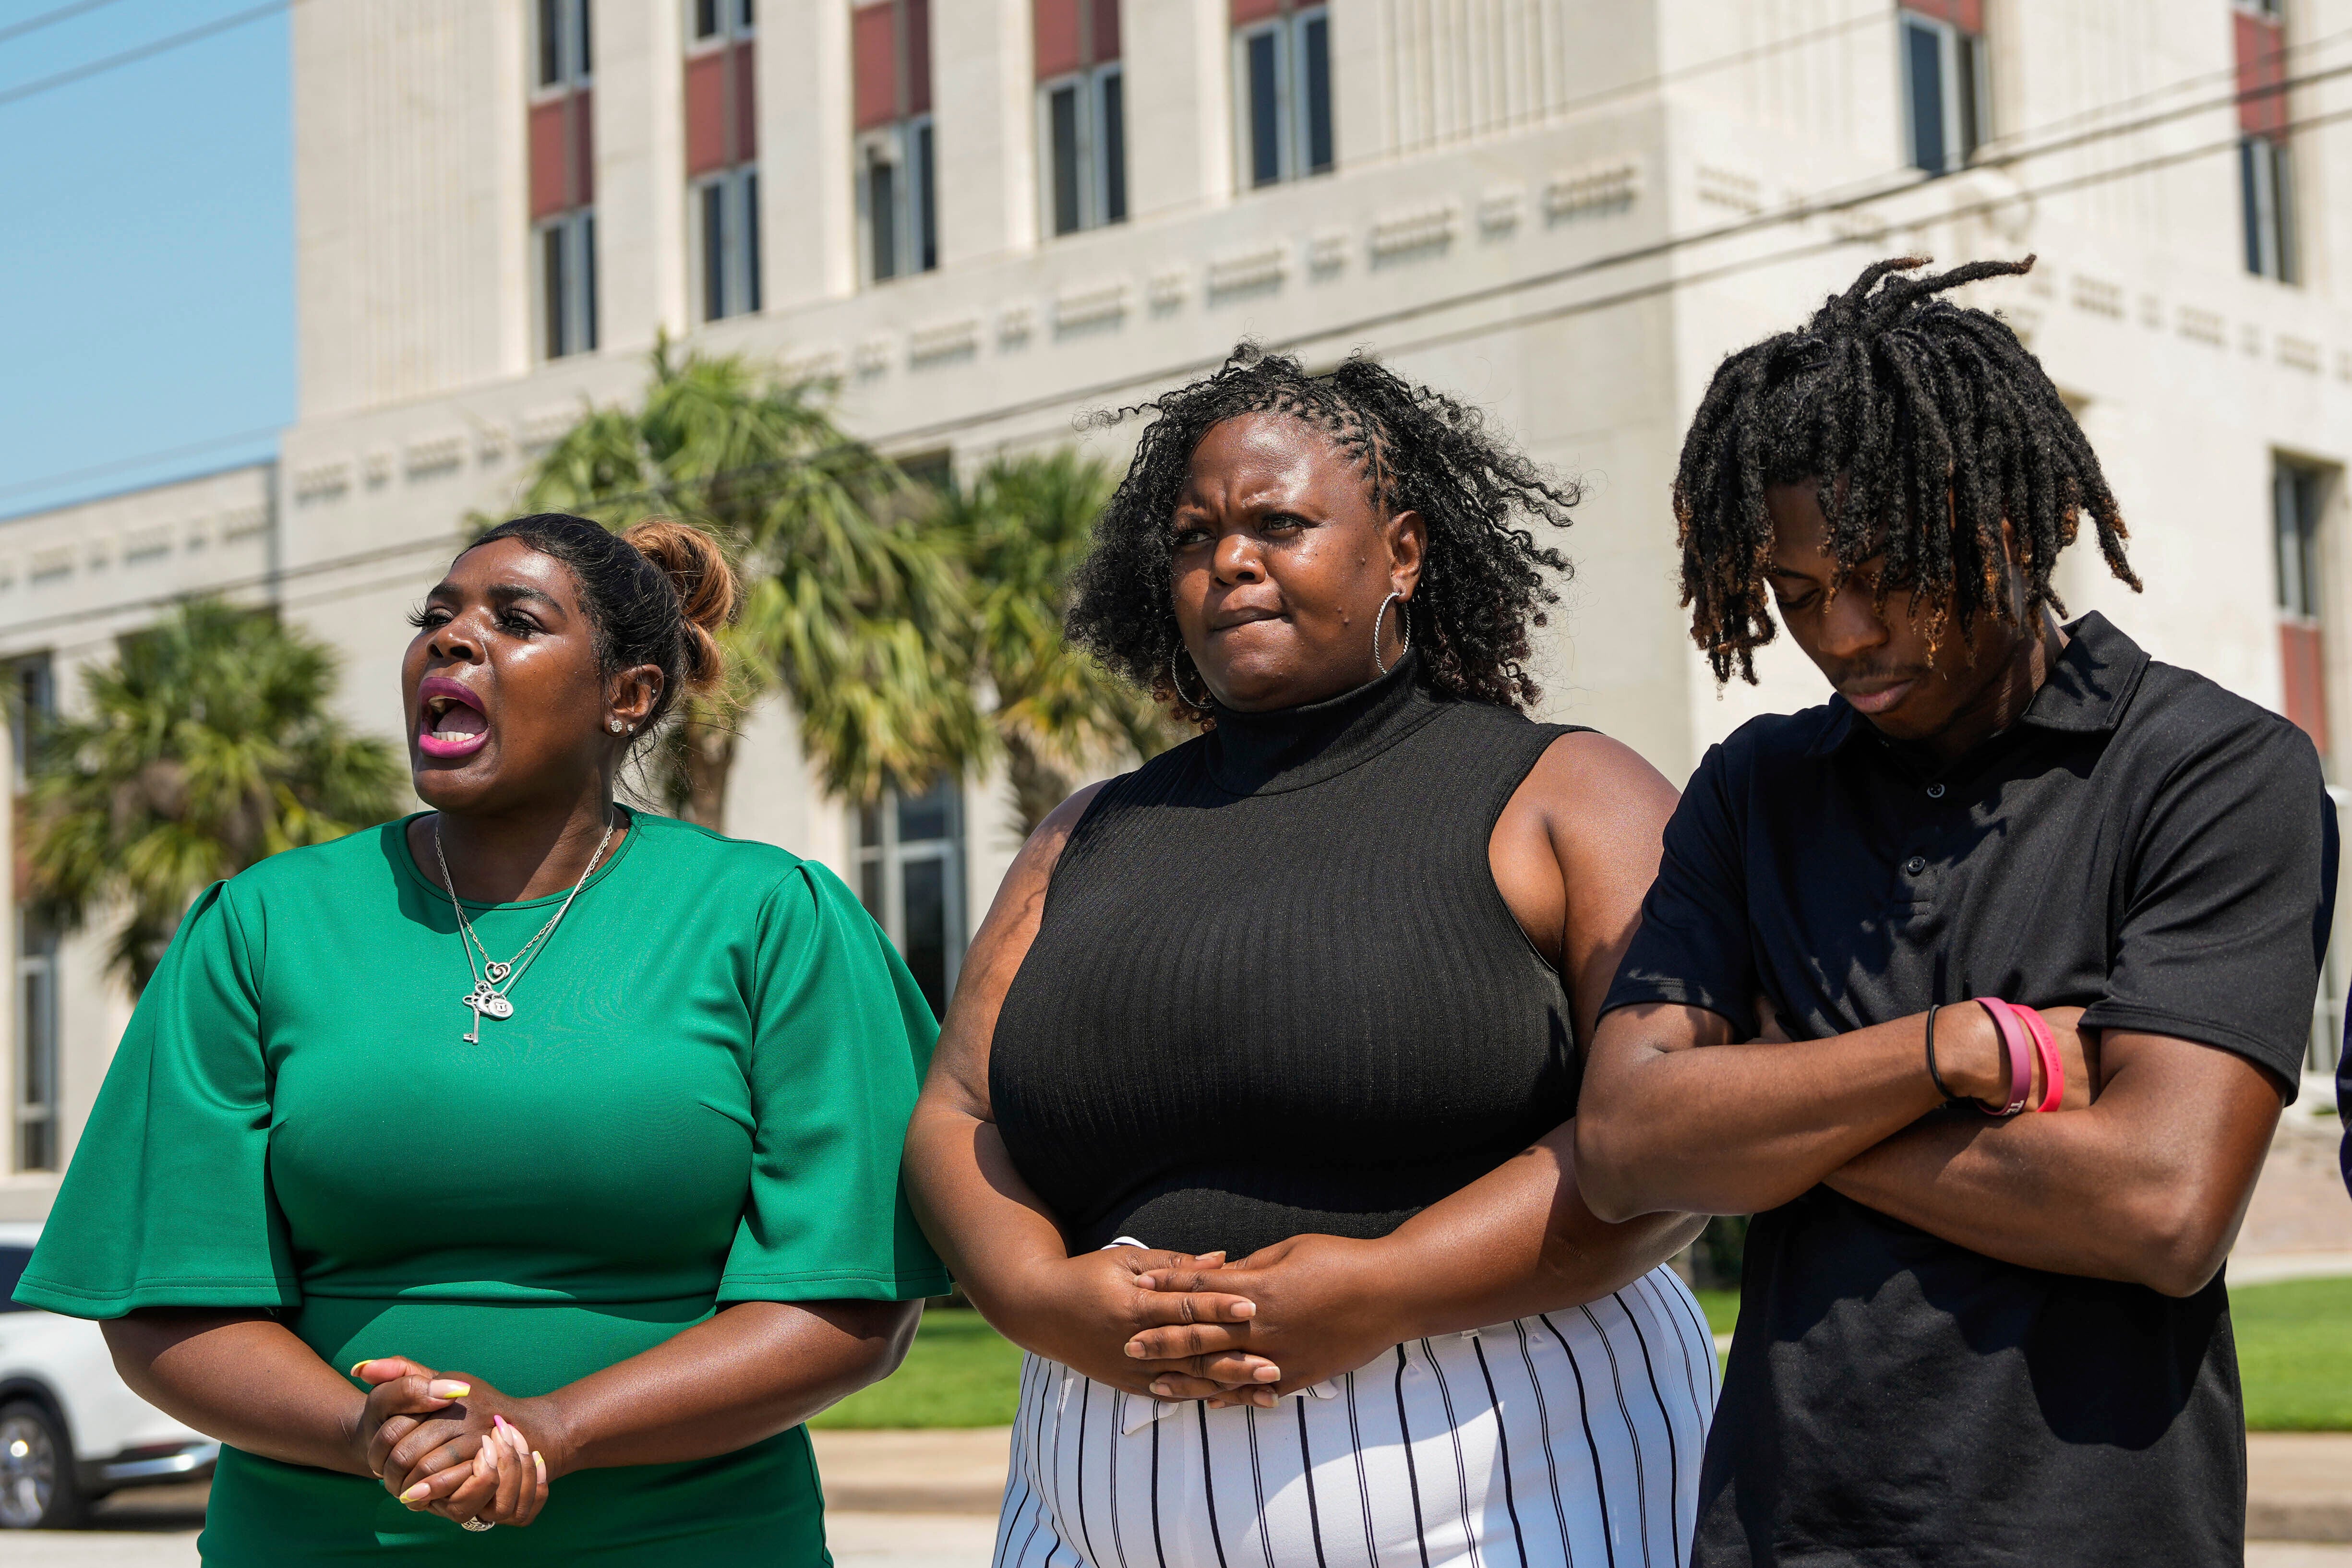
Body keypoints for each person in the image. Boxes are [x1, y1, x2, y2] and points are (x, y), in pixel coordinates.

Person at [1575, 256, 2339, 1567]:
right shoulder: (1756, 788)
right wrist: (1945, 1053)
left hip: (2096, 1536)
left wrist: (1772, 1104)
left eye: (1884, 572)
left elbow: (2158, 1205)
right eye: (1800, 594)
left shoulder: (2210, 770)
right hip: (1780, 1535)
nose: (1846, 632)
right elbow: (1625, 1143)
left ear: (2016, 519)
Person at [907, 348, 1716, 1568]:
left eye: (1277, 522)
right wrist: (1036, 1295)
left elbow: (1671, 1138)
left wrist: (1389, 1282)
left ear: (1401, 550)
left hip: (1519, 1486)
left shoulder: (1569, 794)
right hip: (1085, 1511)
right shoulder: (1084, 832)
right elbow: (956, 1110)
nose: (1229, 560)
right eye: (1194, 537)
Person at [13, 514, 950, 1564]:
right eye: (437, 617)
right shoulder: (259, 924)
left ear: (628, 696)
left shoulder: (774, 916)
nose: (450, 641)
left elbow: (851, 1302)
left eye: (514, 619)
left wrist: (556, 1428)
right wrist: (364, 1431)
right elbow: (162, 1302)